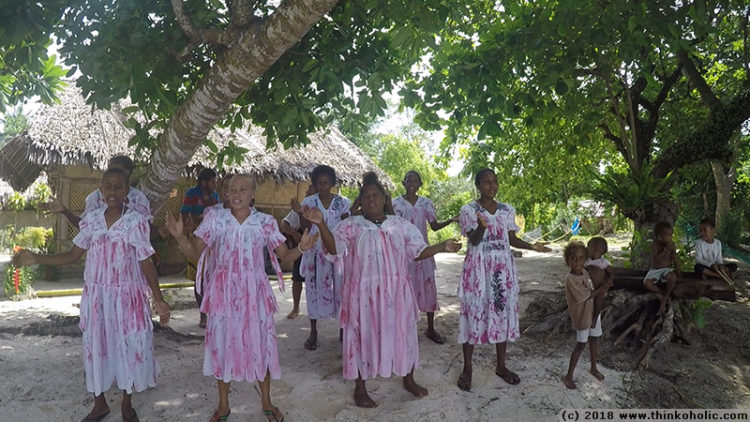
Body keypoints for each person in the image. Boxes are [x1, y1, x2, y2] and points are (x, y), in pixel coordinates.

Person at [15, 167, 170, 422]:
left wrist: (159, 298)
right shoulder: (91, 220)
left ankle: (126, 404)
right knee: (96, 346)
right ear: (101, 189)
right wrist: (36, 258)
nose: (112, 191)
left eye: (118, 186)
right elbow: (72, 256)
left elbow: (146, 261)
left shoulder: (136, 222)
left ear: (126, 191)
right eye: (108, 186)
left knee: (127, 347)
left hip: (126, 298)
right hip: (97, 297)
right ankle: (99, 404)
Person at [165, 174, 316, 422]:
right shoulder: (215, 218)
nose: (237, 193)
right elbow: (195, 252)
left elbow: (285, 256)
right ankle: (224, 405)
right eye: (231, 189)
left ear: (253, 194)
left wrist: (301, 248)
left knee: (261, 345)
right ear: (225, 193)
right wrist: (181, 237)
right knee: (222, 346)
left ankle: (266, 400)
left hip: (254, 293)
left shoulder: (265, 222)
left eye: (243, 189)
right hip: (223, 294)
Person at [302, 172, 461, 408]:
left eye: (375, 195)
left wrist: (442, 246)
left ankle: (408, 378)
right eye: (366, 197)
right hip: (361, 293)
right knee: (361, 335)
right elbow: (334, 249)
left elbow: (418, 251)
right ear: (361, 201)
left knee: (402, 332)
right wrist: (322, 224)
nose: (371, 200)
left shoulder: (399, 225)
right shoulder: (351, 225)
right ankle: (360, 387)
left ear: (385, 198)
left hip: (396, 291)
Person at [456, 168, 550, 392]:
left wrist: (532, 246)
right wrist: (481, 225)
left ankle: (501, 366)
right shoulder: (468, 210)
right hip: (478, 270)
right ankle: (467, 368)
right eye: (487, 182)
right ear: (478, 185)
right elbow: (475, 241)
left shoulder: (507, 210)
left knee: (500, 312)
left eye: (495, 182)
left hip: (501, 270)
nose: (492, 186)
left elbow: (511, 239)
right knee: (473, 313)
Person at [391, 170, 457, 344]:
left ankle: (430, 328)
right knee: (404, 288)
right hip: (404, 254)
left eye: (415, 180)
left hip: (425, 252)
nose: (412, 183)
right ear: (403, 182)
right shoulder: (395, 204)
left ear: (420, 184)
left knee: (428, 287)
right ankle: (404, 327)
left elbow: (434, 226)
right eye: (408, 180)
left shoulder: (426, 203)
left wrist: (451, 220)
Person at [298, 165, 350, 350]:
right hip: (315, 252)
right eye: (319, 183)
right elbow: (304, 225)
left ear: (333, 183)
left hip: (337, 251)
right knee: (313, 289)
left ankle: (343, 328)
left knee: (341, 289)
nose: (323, 187)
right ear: (315, 184)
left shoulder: (343, 202)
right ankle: (313, 331)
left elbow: (347, 225)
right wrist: (301, 213)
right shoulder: (309, 201)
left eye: (326, 183)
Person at [48, 155, 152, 227]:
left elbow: (146, 230)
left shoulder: (138, 198)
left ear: (128, 173)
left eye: (117, 170)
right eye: (110, 170)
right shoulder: (94, 198)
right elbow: (84, 226)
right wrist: (65, 211)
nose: (113, 174)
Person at [562, 241, 611, 390]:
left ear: (586, 259)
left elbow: (591, 285)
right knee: (581, 345)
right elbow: (584, 296)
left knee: (594, 339)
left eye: (581, 258)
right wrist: (601, 289)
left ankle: (594, 367)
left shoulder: (585, 272)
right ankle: (568, 376)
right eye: (574, 258)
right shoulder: (570, 279)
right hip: (582, 317)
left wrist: (603, 287)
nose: (577, 261)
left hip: (593, 314)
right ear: (568, 260)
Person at [181, 167, 220, 328]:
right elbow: (185, 214)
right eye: (212, 181)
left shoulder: (215, 196)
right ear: (204, 182)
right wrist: (199, 218)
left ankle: (213, 311)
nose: (215, 184)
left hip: (213, 242)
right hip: (196, 239)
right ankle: (202, 314)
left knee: (213, 277)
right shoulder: (191, 194)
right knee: (199, 278)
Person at [280, 183, 316, 319]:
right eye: (306, 193)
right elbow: (284, 224)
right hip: (302, 247)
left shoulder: (324, 208)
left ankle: (317, 308)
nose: (306, 194)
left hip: (319, 249)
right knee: (297, 278)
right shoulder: (301, 207)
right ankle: (296, 307)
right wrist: (295, 234)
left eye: (309, 192)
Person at [643, 221, 681, 314]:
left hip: (667, 270)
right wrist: (665, 250)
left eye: (671, 235)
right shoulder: (655, 245)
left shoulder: (672, 245)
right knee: (646, 283)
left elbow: (675, 260)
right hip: (656, 269)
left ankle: (665, 297)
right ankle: (663, 293)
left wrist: (679, 273)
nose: (671, 238)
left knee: (673, 277)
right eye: (668, 235)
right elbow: (656, 261)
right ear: (660, 237)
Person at [585, 236, 614, 324]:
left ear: (596, 249)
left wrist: (609, 281)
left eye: (589, 246)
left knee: (598, 301)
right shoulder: (586, 260)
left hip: (600, 286)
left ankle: (595, 318)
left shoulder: (603, 262)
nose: (586, 248)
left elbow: (611, 273)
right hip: (588, 285)